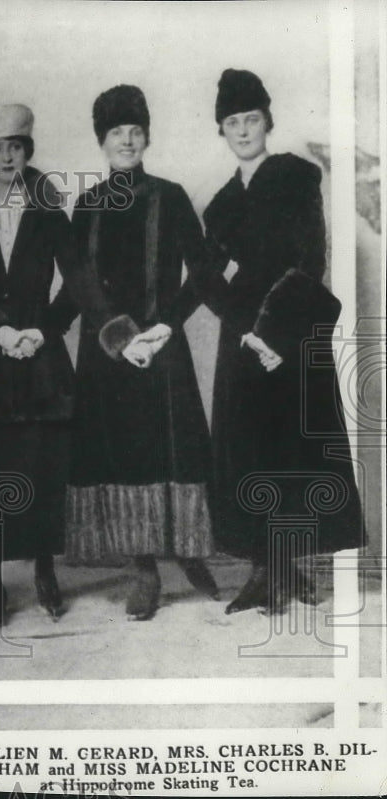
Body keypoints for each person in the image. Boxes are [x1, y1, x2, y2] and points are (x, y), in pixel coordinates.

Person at [0, 103, 111, 635]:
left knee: (39, 468)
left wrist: (42, 330)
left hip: (39, 357)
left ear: (27, 151)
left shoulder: (49, 208)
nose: (7, 156)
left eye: (16, 146)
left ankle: (44, 574)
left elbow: (78, 280)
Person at [201, 69, 364, 614]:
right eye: (232, 122)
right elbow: (204, 275)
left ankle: (286, 566)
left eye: (251, 118)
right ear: (221, 130)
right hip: (244, 336)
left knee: (292, 448)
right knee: (248, 450)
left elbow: (311, 256)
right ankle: (262, 570)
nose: (243, 129)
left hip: (292, 326)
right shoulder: (221, 202)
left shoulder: (296, 175)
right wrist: (241, 326)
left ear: (267, 121)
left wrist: (276, 333)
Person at [65, 85, 220, 621]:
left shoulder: (170, 196)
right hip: (108, 353)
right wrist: (121, 337)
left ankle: (188, 553)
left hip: (161, 346)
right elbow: (79, 282)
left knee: (174, 454)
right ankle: (144, 570)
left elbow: (202, 272)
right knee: (123, 456)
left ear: (147, 136)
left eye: (135, 131)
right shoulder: (86, 206)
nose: (127, 141)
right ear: (102, 143)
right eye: (116, 134)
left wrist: (161, 329)